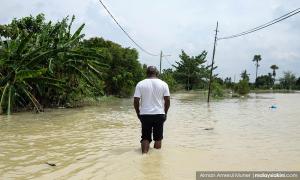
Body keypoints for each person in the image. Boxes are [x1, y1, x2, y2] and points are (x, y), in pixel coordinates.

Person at [133, 66, 170, 154]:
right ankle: (156, 159)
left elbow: (136, 101)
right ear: (156, 73)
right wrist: (165, 113)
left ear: (146, 73)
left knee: (145, 137)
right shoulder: (163, 84)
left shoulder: (140, 84)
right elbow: (167, 100)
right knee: (158, 138)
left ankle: (144, 156)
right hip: (159, 114)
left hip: (145, 114)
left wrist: (138, 113)